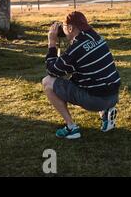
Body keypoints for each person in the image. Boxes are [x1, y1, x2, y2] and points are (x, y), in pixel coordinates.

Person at [42, 11, 121, 139]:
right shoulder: (96, 37)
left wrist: (52, 42)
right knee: (89, 77)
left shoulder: (76, 49)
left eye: (64, 26)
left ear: (71, 28)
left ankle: (71, 128)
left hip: (95, 101)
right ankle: (106, 113)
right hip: (113, 96)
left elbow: (52, 71)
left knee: (47, 82)